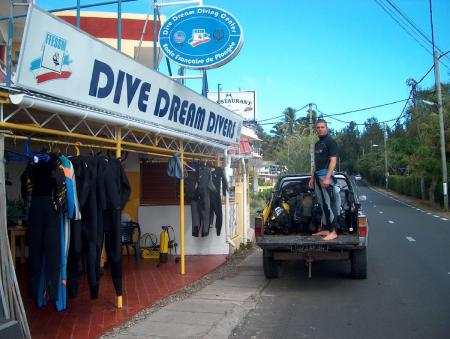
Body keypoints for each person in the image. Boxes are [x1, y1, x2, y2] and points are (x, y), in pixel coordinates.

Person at [308, 118, 341, 241]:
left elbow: (333, 160)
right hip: (317, 176)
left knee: (328, 203)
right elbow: (316, 163)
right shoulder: (317, 144)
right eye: (318, 127)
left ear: (326, 128)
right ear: (316, 129)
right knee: (322, 204)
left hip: (325, 177)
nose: (320, 129)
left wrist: (327, 177)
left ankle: (333, 231)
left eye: (322, 127)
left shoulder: (331, 142)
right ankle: (327, 228)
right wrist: (312, 178)